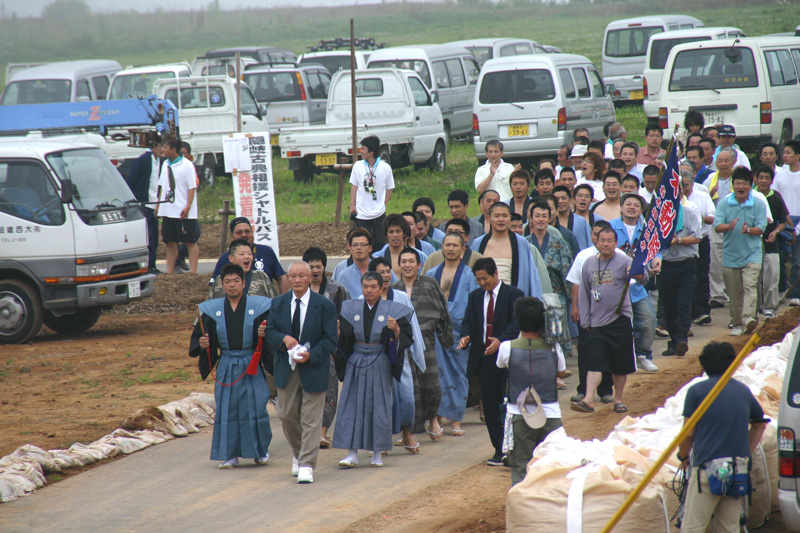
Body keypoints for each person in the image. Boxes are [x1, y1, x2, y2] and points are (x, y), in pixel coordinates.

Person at [677, 342, 768, 532]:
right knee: (729, 526)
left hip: (707, 468)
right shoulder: (743, 391)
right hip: (737, 469)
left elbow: (688, 433)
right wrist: (745, 452)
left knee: (693, 526)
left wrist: (683, 456)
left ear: (704, 364)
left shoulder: (697, 391)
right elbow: (759, 425)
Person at [190, 264, 272, 468]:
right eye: (227, 281)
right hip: (226, 363)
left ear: (244, 284)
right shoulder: (211, 310)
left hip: (250, 362)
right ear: (222, 284)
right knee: (228, 409)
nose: (232, 285)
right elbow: (201, 339)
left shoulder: (260, 306)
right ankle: (229, 455)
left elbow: (271, 334)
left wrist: (265, 335)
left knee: (257, 407)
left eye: (236, 281)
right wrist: (204, 345)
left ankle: (260, 451)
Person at [333, 271, 414, 468]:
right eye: (365, 287)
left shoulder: (392, 309)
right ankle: (351, 453)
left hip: (380, 361)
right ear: (361, 288)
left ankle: (377, 453)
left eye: (373, 287)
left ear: (381, 288)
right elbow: (344, 337)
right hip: (356, 359)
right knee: (350, 405)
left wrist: (395, 329)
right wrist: (337, 330)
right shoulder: (352, 308)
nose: (369, 290)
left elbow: (405, 336)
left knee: (379, 407)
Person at [265, 262, 337, 483]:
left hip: (314, 367)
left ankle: (306, 464)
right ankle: (298, 453)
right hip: (287, 368)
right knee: (286, 414)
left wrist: (312, 354)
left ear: (309, 278)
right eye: (293, 276)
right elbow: (270, 332)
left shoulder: (324, 305)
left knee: (311, 419)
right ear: (288, 278)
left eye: (301, 276)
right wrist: (284, 339)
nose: (297, 280)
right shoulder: (278, 303)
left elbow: (330, 339)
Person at [572, 226, 647, 414]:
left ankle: (618, 399)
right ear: (596, 241)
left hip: (619, 319)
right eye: (602, 240)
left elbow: (643, 278)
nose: (605, 244)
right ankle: (588, 399)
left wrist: (637, 272)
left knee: (619, 364)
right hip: (596, 322)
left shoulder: (624, 260)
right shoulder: (588, 263)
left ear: (615, 243)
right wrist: (585, 319)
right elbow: (584, 293)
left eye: (609, 241)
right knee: (595, 362)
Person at [458, 258, 523, 466]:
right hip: (484, 358)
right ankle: (498, 449)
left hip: (508, 358)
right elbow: (468, 320)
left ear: (495, 273)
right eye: (478, 280)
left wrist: (501, 340)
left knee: (510, 404)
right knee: (490, 405)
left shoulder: (514, 294)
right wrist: (466, 336)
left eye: (484, 278)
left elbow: (516, 323)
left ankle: (514, 448)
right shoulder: (476, 296)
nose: (482, 283)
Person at [496, 297, 566, 485]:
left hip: (519, 414)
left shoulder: (506, 347)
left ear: (517, 320)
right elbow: (560, 371)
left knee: (521, 466)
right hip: (550, 412)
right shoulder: (554, 347)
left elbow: (501, 365)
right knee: (553, 465)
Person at [392, 248, 453, 441]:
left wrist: (438, 330)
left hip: (426, 340)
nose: (407, 265)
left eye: (412, 261)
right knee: (407, 388)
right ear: (399, 265)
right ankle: (407, 429)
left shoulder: (429, 283)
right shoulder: (394, 289)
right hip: (402, 344)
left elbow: (442, 311)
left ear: (419, 265)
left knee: (431, 384)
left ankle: (433, 419)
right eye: (404, 261)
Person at [367, 256, 426, 454]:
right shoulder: (363, 299)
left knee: (407, 398)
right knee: (379, 401)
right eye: (380, 272)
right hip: (374, 359)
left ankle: (407, 430)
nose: (385, 275)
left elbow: (411, 329)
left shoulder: (401, 297)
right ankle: (381, 441)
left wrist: (398, 331)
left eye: (387, 271)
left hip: (398, 356)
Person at [429, 233, 478, 436]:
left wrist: (469, 332)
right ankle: (437, 419)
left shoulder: (469, 275)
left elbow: (474, 307)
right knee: (436, 375)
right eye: (447, 245)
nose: (450, 248)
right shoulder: (432, 273)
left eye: (455, 245)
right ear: (442, 247)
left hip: (459, 332)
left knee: (458, 376)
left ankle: (456, 420)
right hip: (435, 332)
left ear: (462, 249)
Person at [302, 247, 350, 449]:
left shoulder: (336, 289)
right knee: (304, 390)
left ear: (324, 267)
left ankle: (322, 432)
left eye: (318, 266)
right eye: (310, 266)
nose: (314, 270)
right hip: (303, 348)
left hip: (329, 347)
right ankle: (307, 430)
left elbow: (346, 317)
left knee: (329, 389)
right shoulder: (298, 289)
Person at [567, 220, 617, 403]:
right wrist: (575, 307)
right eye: (595, 235)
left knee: (608, 350)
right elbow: (576, 282)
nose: (599, 239)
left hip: (610, 313)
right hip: (588, 311)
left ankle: (605, 390)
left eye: (602, 236)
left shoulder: (618, 256)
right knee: (586, 350)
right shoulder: (583, 256)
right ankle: (583, 389)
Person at [610, 194, 661, 371]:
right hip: (615, 286)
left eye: (636, 205)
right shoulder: (610, 227)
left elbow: (655, 251)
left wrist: (656, 260)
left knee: (648, 319)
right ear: (621, 207)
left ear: (641, 210)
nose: (632, 207)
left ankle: (643, 355)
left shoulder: (647, 230)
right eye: (628, 204)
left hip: (638, 285)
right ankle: (618, 360)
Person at [714, 168, 767, 336]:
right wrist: (729, 226)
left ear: (751, 186)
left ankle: (748, 318)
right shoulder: (724, 203)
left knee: (750, 285)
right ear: (733, 185)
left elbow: (761, 228)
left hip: (752, 253)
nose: (741, 186)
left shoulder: (758, 203)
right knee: (734, 293)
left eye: (744, 183)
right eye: (737, 183)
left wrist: (749, 230)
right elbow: (717, 225)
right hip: (730, 255)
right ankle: (737, 323)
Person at [525, 200, 574, 354]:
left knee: (556, 337)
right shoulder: (524, 244)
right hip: (531, 296)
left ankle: (559, 370)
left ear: (549, 218)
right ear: (530, 219)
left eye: (544, 216)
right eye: (537, 216)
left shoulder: (560, 243)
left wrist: (571, 299)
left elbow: (567, 273)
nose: (540, 219)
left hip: (555, 296)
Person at [660, 181, 702, 356]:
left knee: (683, 304)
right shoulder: (660, 215)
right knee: (668, 306)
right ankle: (674, 341)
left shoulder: (689, 211)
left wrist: (679, 240)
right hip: (666, 266)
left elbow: (697, 237)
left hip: (686, 264)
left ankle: (682, 339)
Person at [470, 202, 543, 298]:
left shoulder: (521, 243)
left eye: (505, 216)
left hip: (513, 299)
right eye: (496, 216)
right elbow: (471, 275)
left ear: (510, 218)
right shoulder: (478, 243)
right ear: (489, 218)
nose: (501, 219)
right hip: (484, 299)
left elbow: (532, 277)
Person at [210, 217, 288, 294]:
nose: (244, 235)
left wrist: (284, 301)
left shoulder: (266, 252)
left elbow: (281, 277)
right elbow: (215, 285)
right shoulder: (225, 258)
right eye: (239, 232)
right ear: (232, 236)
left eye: (247, 231)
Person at [156, 139, 199, 274]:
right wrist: (158, 205)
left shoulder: (187, 165)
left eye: (166, 147)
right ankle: (170, 271)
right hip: (168, 210)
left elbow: (192, 188)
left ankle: (193, 272)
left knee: (190, 241)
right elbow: (163, 186)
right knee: (170, 242)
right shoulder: (165, 165)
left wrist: (187, 207)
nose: (163, 150)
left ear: (174, 149)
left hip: (183, 211)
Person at [681, 167, 716, 326]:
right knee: (685, 279)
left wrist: (699, 217)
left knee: (701, 276)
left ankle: (701, 312)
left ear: (692, 184)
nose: (683, 189)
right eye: (680, 185)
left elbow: (712, 217)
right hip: (680, 245)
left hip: (700, 240)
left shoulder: (702, 196)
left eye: (685, 185)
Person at [753, 164, 788, 319]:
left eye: (767, 178)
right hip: (753, 244)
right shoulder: (751, 196)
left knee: (772, 276)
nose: (764, 181)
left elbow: (783, 221)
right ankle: (754, 308)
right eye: (761, 178)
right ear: (755, 179)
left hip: (771, 244)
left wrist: (776, 231)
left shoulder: (776, 198)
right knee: (753, 280)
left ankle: (769, 307)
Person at [349, 135, 394, 251]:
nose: (361, 151)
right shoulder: (358, 166)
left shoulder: (385, 167)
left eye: (363, 148)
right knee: (364, 244)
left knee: (380, 244)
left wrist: (383, 204)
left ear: (371, 151)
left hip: (379, 214)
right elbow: (354, 186)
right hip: (362, 213)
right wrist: (352, 206)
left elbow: (389, 188)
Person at [125, 141, 163, 273]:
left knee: (155, 238)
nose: (162, 149)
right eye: (159, 146)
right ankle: (148, 266)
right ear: (153, 146)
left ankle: (152, 265)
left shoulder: (159, 160)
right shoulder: (144, 160)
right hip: (144, 204)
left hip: (154, 204)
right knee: (149, 237)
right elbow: (132, 180)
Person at [773, 140, 800, 307]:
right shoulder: (780, 174)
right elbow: (776, 197)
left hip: (798, 221)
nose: (785, 155)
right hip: (783, 221)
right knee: (780, 259)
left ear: (797, 156)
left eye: (788, 152)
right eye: (784, 152)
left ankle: (796, 294)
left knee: (797, 261)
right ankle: (782, 290)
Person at [208, 238, 277, 299]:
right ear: (231, 258)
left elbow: (274, 304)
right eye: (242, 254)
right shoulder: (220, 279)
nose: (247, 257)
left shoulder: (261, 277)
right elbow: (211, 306)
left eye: (249, 254)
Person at [333, 228, 375, 298]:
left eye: (363, 244)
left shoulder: (380, 269)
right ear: (349, 247)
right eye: (355, 245)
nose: (359, 248)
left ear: (370, 248)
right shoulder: (343, 275)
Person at [552, 185, 591, 251]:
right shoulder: (550, 221)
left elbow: (589, 243)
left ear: (570, 200)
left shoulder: (581, 221)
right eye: (557, 199)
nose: (560, 201)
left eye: (563, 198)